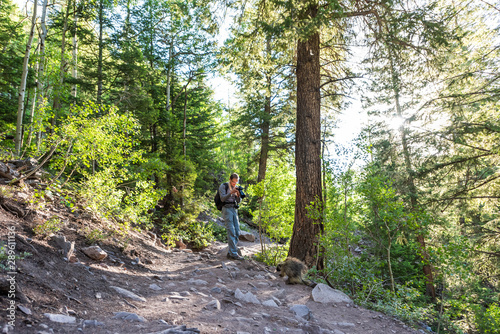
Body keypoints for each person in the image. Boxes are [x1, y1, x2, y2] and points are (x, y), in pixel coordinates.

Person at [219, 173, 244, 260]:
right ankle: (234, 254)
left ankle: (230, 252)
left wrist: (238, 195)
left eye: (236, 182)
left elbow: (239, 201)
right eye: (233, 182)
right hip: (226, 209)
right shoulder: (224, 186)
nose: (235, 184)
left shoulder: (237, 187)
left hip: (234, 209)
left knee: (237, 232)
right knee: (231, 231)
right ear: (230, 179)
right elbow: (222, 198)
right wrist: (231, 193)